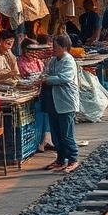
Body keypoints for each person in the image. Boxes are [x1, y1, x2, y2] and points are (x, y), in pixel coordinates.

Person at [38, 35, 82, 172]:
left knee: (66, 134)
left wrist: (46, 80)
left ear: (64, 48)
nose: (53, 49)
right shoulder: (53, 60)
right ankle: (60, 158)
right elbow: (47, 72)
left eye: (55, 47)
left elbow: (64, 78)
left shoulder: (68, 60)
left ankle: (73, 158)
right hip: (54, 102)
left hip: (65, 102)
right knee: (56, 134)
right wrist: (43, 76)